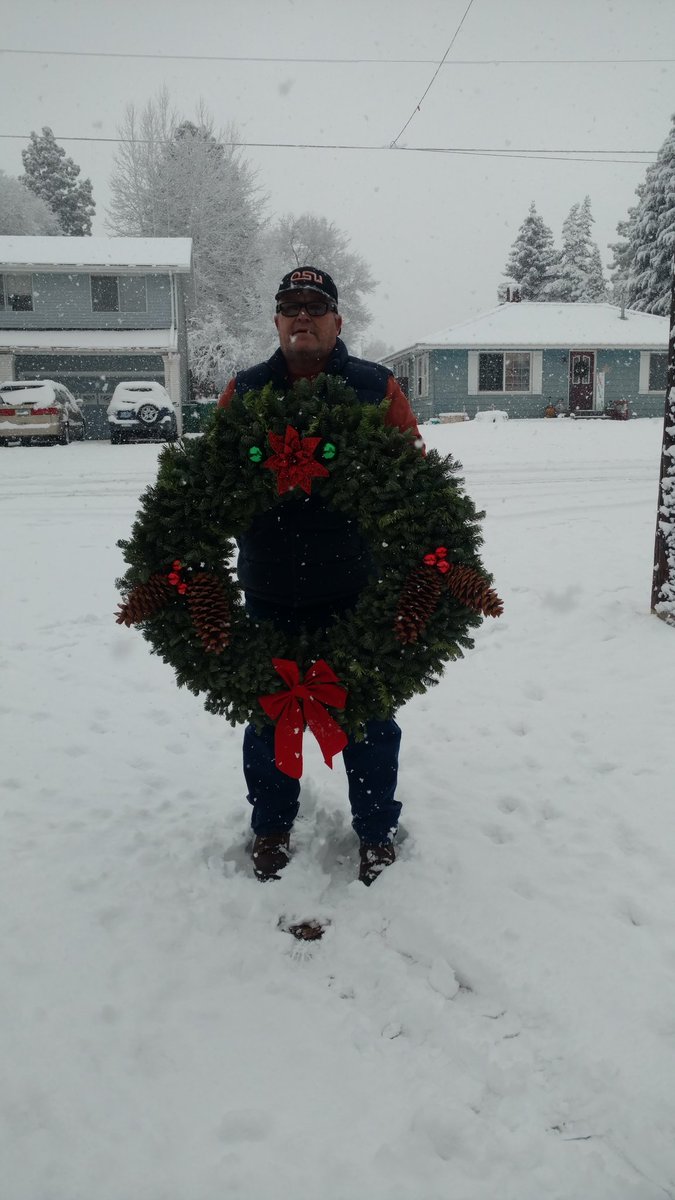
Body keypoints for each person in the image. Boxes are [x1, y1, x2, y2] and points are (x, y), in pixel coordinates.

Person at [217, 266, 422, 886]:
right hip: (268, 589)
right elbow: (211, 485)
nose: (301, 316)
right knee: (267, 717)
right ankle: (272, 827)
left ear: (338, 320)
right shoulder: (244, 392)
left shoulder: (376, 389)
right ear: (276, 321)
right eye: (290, 306)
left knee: (368, 719)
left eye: (315, 305)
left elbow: (414, 485)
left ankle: (376, 831)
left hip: (352, 590)